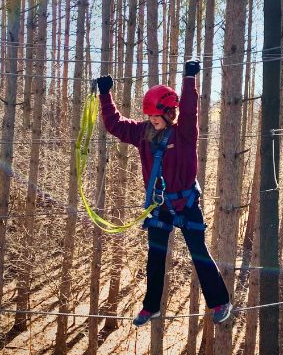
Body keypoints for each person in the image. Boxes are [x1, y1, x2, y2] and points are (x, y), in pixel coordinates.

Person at [95, 60, 232, 326]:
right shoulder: (143, 133)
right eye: (149, 116)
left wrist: (189, 78)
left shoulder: (184, 134)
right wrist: (105, 94)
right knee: (155, 257)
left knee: (198, 252)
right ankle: (151, 307)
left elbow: (191, 110)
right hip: (160, 206)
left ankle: (220, 302)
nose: (151, 120)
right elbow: (115, 124)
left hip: (186, 203)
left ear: (170, 113)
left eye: (156, 116)